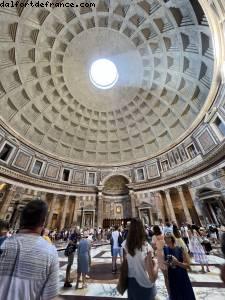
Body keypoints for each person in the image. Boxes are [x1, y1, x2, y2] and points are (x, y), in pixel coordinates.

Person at [0, 199, 59, 300]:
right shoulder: (50, 252)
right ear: (43, 221)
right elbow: (50, 297)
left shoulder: (2, 243)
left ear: (21, 220)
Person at [123, 218, 158, 300]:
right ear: (142, 229)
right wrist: (156, 264)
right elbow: (152, 278)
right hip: (145, 284)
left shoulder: (125, 245)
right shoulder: (146, 247)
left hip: (131, 284)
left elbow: (126, 264)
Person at [164, 233, 196, 300]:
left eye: (168, 238)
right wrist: (167, 263)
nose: (166, 240)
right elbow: (165, 263)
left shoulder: (180, 249)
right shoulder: (165, 249)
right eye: (165, 238)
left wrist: (177, 263)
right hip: (172, 276)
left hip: (182, 276)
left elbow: (187, 266)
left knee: (185, 295)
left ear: (172, 239)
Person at [152, 225, 169, 294]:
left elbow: (153, 246)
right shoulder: (163, 235)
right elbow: (166, 243)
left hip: (159, 253)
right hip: (166, 252)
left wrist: (156, 248)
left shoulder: (154, 237)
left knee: (165, 274)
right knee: (169, 271)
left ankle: (169, 291)